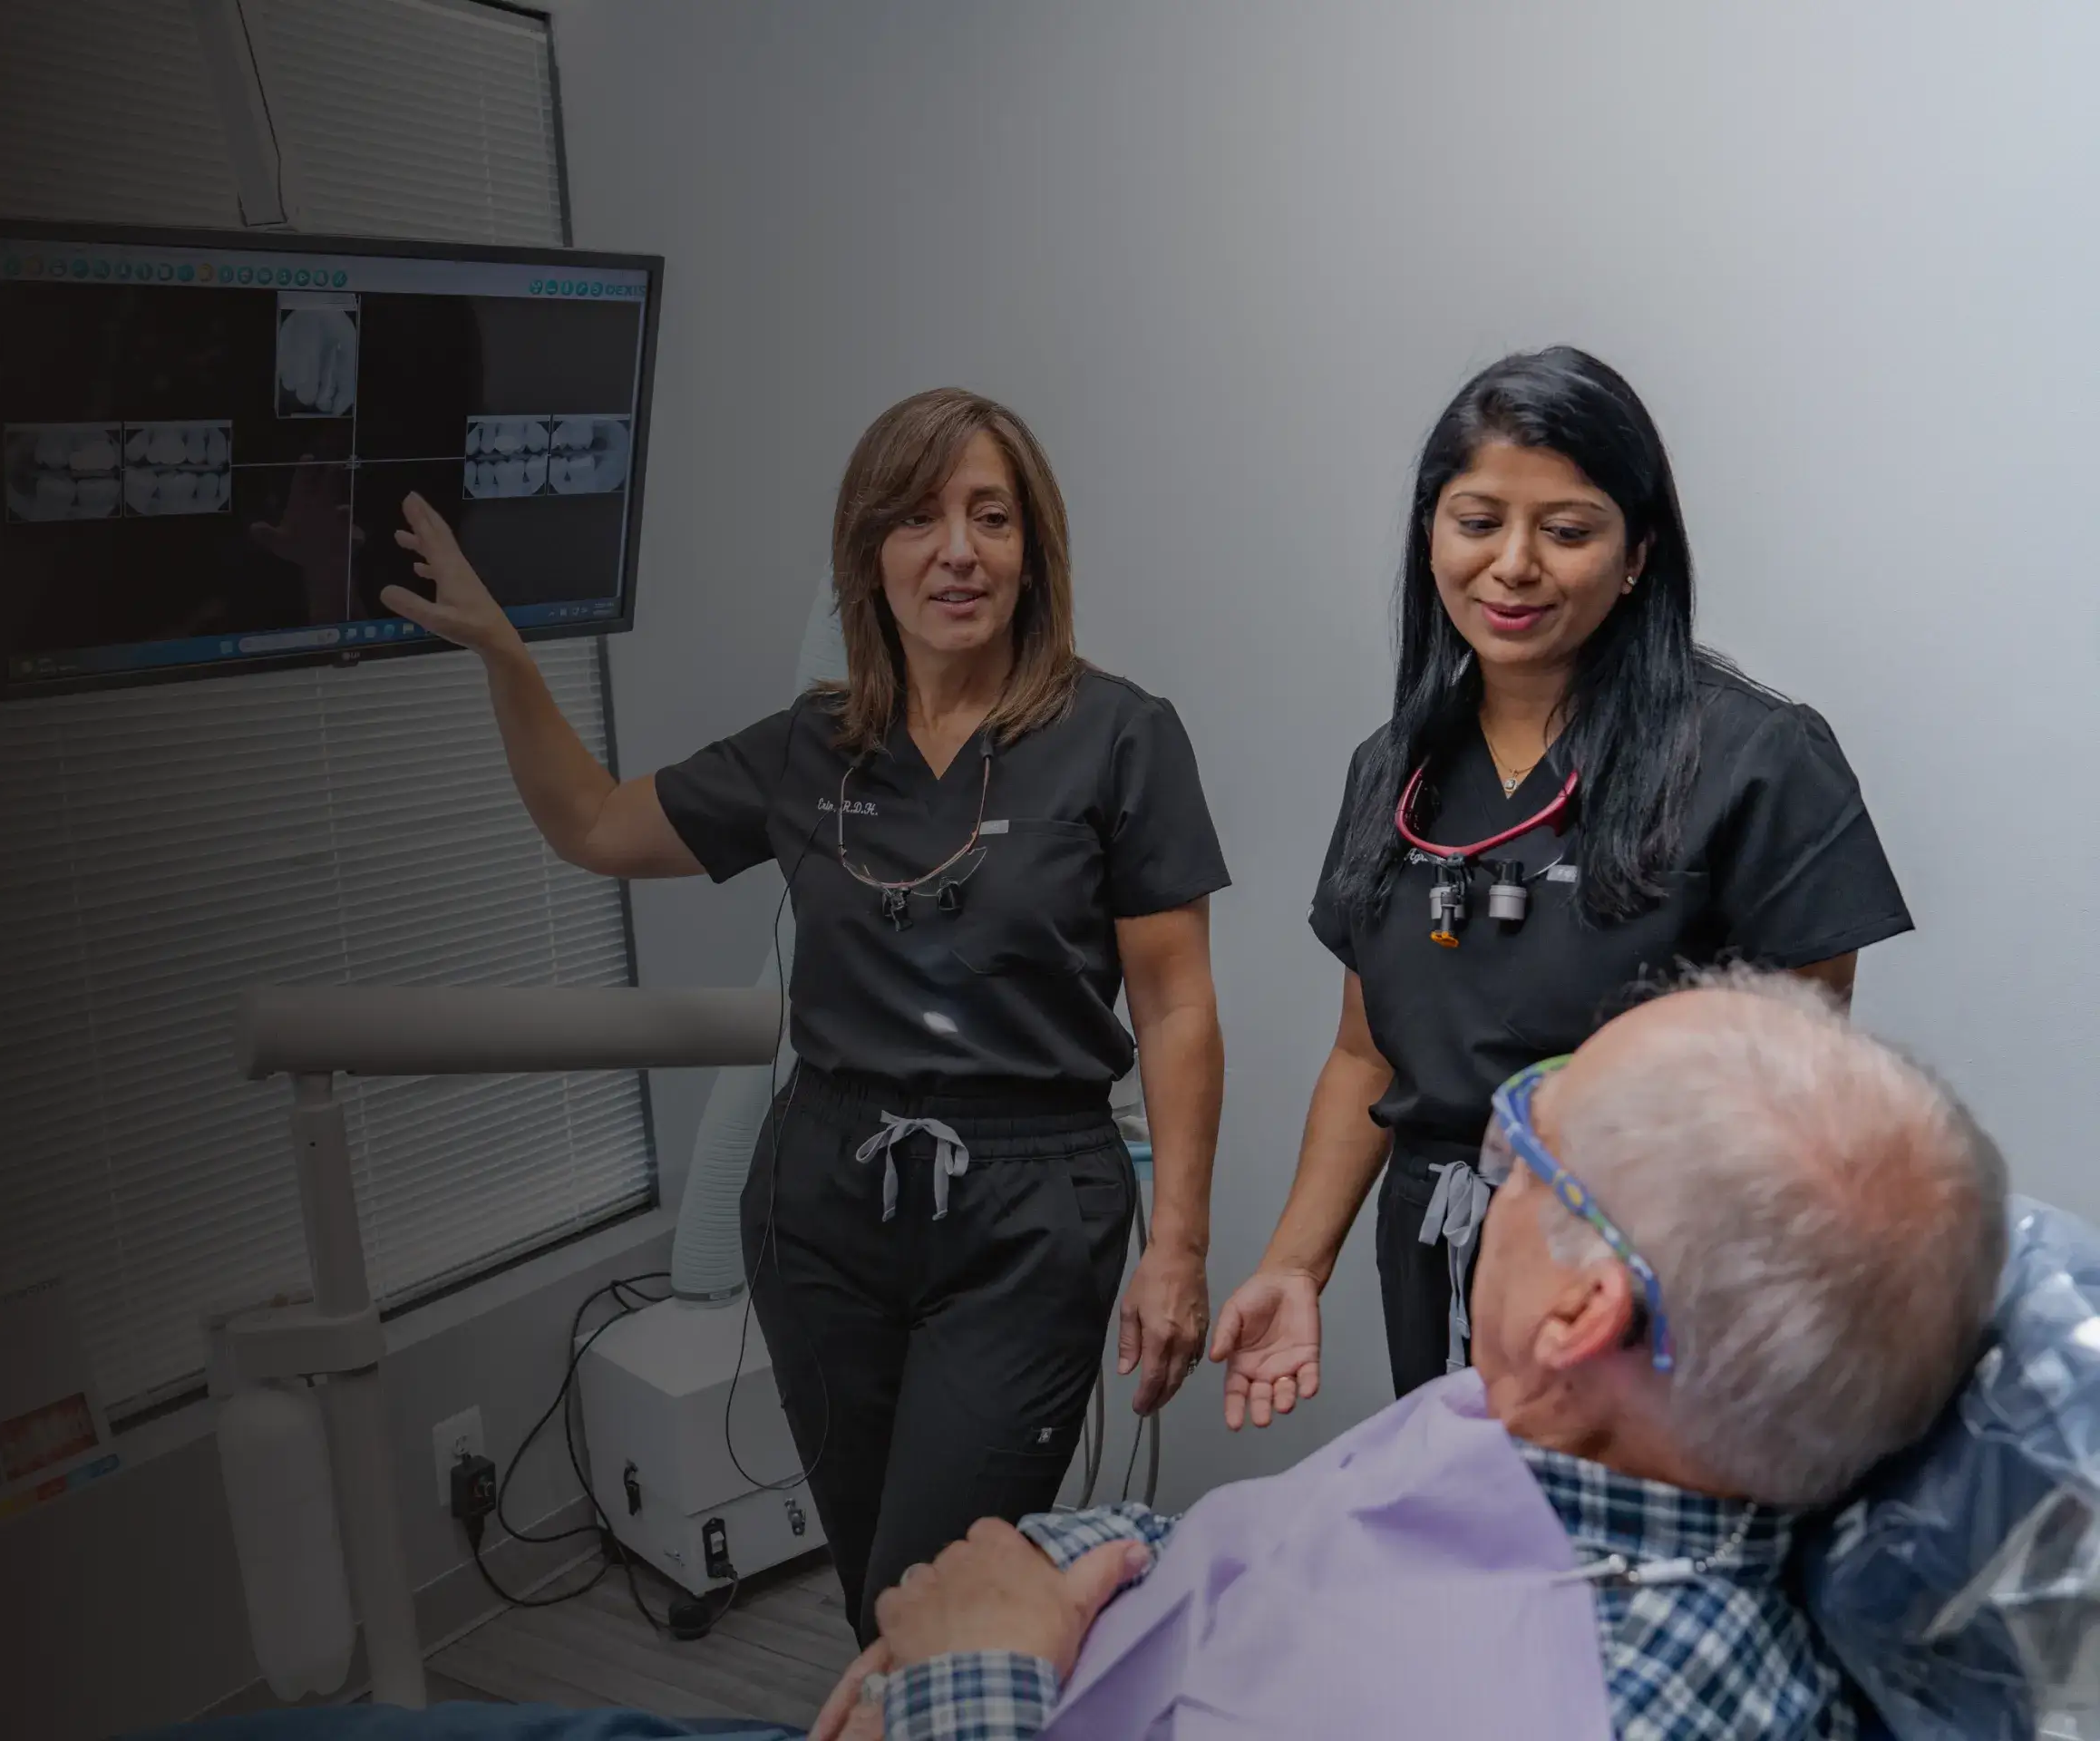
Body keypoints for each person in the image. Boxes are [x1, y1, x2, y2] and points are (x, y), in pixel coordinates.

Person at [122, 968, 2011, 1741]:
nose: (1496, 1155)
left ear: (1586, 1307)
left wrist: (980, 1674)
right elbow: (1280, 1551)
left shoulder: (1572, 1703)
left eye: (1527, 1138)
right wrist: (1071, 1562)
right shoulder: (1570, 1423)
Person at [377, 388, 1230, 1645]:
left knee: (935, 1593)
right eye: (919, 518)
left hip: (1028, 1213)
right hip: (823, 1208)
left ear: (1033, 550)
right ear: (868, 553)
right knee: (876, 1591)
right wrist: (508, 654)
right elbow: (596, 823)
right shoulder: (813, 747)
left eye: (991, 518)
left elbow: (1176, 1005)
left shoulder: (1120, 738)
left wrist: (1181, 1249)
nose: (957, 551)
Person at [1210, 346, 1915, 1425]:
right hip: (1440, 1250)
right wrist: (1293, 1268)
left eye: (1568, 531)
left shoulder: (1755, 758)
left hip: (1646, 1265)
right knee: (1463, 1520)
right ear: (1431, 536)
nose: (1513, 565)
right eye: (1478, 521)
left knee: (1602, 1530)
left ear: (1637, 556)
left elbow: (1797, 1086)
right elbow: (1367, 1055)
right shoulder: (1394, 770)